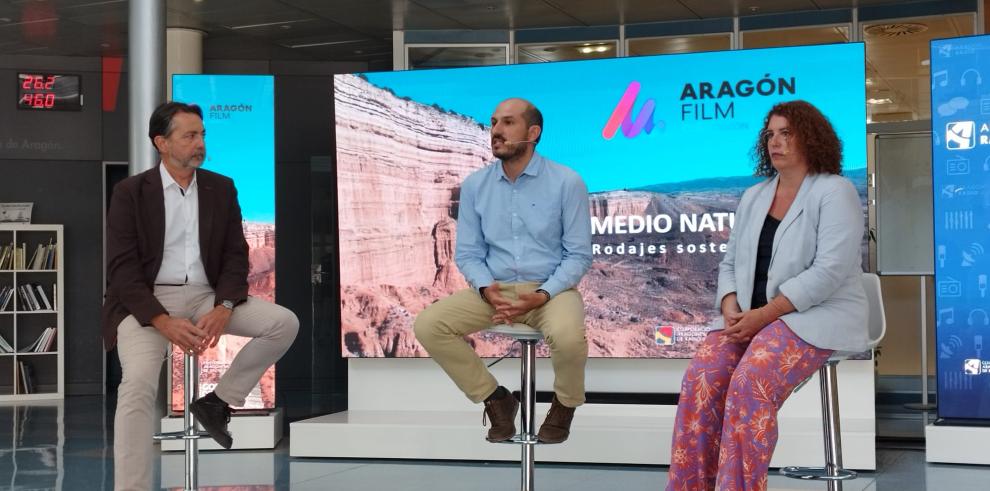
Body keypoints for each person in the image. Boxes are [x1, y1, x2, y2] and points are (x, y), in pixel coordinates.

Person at [665, 100, 869, 491]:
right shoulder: (753, 196)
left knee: (749, 382)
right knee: (701, 378)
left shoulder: (835, 191)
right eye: (770, 134)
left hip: (814, 316)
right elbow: (728, 264)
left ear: (810, 138)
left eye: (786, 133)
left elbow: (829, 272)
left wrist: (764, 316)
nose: (775, 142)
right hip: (748, 318)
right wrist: (730, 308)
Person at [103, 102, 299, 491]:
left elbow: (234, 255)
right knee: (138, 385)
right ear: (161, 142)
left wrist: (225, 306)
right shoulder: (130, 192)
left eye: (202, 135)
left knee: (283, 323)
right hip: (147, 302)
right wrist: (161, 321)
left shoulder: (220, 187)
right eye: (189, 135)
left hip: (208, 296)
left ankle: (218, 401)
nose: (200, 143)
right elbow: (122, 270)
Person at [414, 97, 592, 444]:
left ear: (533, 132)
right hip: (493, 290)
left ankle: (564, 405)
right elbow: (468, 253)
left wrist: (541, 295)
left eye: (508, 123)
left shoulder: (567, 182)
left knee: (569, 339)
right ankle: (496, 399)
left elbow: (578, 256)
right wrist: (485, 288)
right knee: (429, 325)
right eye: (494, 122)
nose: (496, 130)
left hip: (549, 291)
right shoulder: (475, 186)